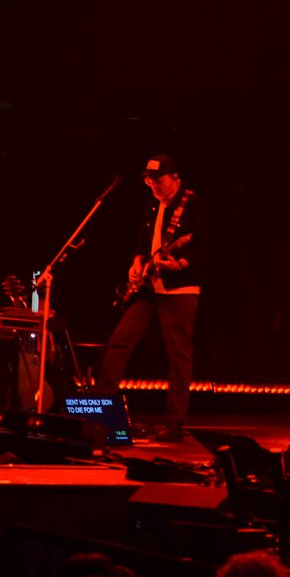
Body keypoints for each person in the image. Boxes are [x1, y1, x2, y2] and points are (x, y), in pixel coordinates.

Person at [96, 154, 210, 442]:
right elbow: (142, 243)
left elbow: (205, 245)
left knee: (178, 355)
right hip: (148, 287)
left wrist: (180, 264)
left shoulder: (193, 204)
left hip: (180, 289)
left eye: (158, 180)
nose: (153, 185)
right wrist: (136, 263)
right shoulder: (151, 204)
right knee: (120, 342)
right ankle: (100, 416)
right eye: (149, 181)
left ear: (175, 178)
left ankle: (175, 424)